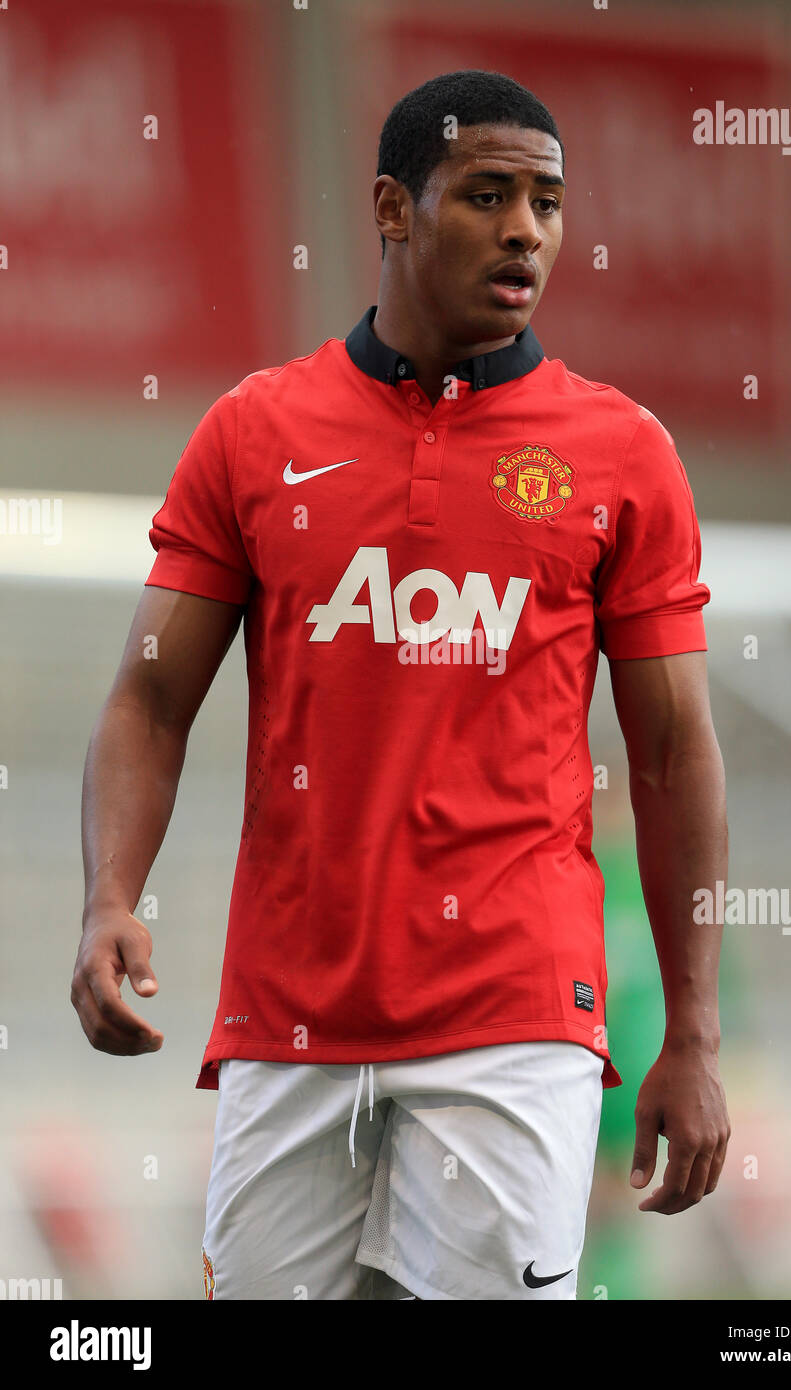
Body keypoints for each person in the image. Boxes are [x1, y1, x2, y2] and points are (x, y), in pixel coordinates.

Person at [72, 68, 730, 1301]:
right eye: (486, 194)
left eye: (546, 201)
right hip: (289, 1017)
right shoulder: (254, 432)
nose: (526, 229)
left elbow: (674, 749)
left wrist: (688, 1033)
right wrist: (111, 894)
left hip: (514, 1021)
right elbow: (150, 697)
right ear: (389, 207)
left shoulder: (621, 453)